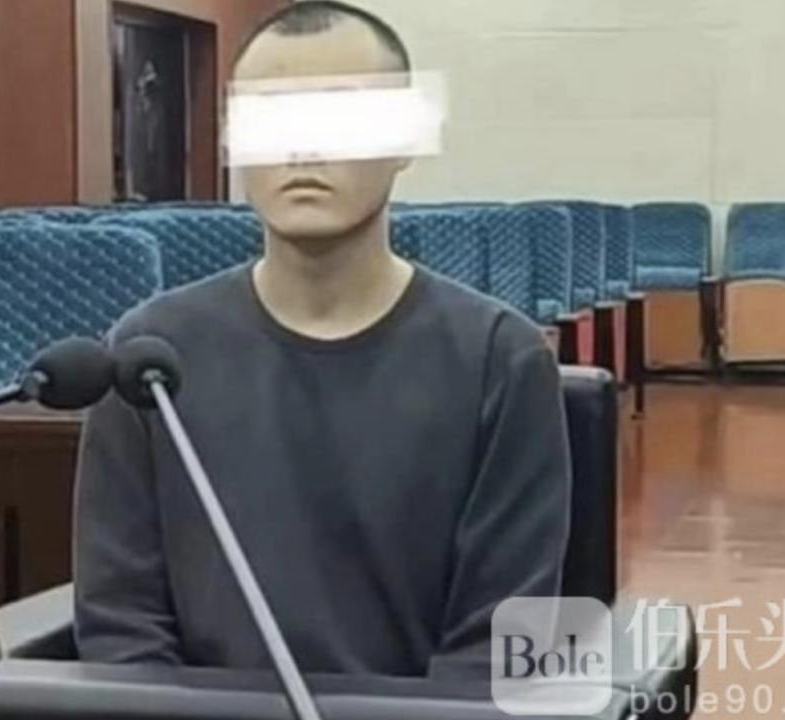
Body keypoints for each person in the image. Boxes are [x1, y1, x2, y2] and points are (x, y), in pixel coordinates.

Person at [73, 0, 570, 684]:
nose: (303, 150)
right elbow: (122, 628)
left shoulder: (500, 360)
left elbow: (497, 648)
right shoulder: (149, 357)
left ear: (406, 139)